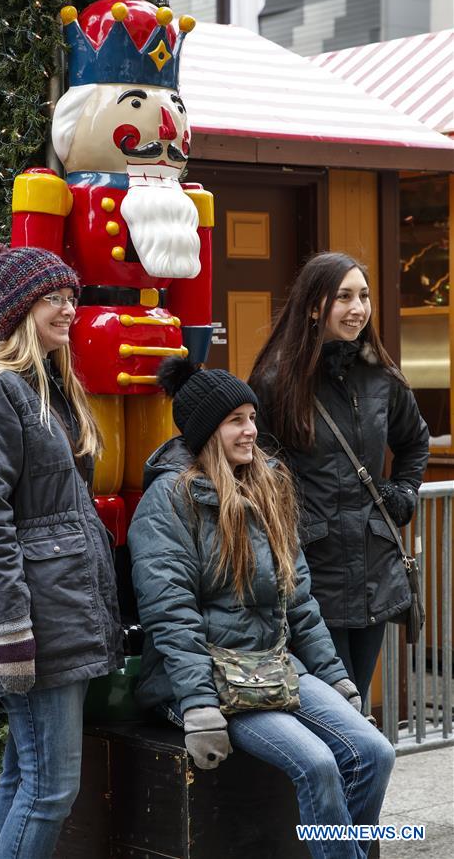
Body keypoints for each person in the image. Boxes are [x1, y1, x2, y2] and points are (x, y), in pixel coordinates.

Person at [128, 357, 396, 859]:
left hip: (272, 666)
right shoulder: (169, 501)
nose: (252, 430)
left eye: (252, 418)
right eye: (236, 421)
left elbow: (298, 599)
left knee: (373, 752)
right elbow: (171, 613)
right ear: (207, 431)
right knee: (316, 763)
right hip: (203, 678)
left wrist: (334, 677)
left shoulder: (268, 488)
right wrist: (200, 707)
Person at [0, 242, 124, 859]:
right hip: (36, 618)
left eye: (71, 296)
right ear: (18, 310)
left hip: (58, 610)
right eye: (53, 298)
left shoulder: (46, 385)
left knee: (29, 775)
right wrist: (13, 628)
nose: (69, 308)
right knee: (51, 787)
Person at [248, 251, 429, 705]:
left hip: (373, 567)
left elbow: (415, 441)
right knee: (331, 708)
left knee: (356, 701)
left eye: (364, 296)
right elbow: (257, 468)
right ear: (314, 306)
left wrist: (403, 492)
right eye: (344, 296)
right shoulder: (276, 380)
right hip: (311, 571)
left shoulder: (381, 377)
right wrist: (290, 525)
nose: (358, 308)